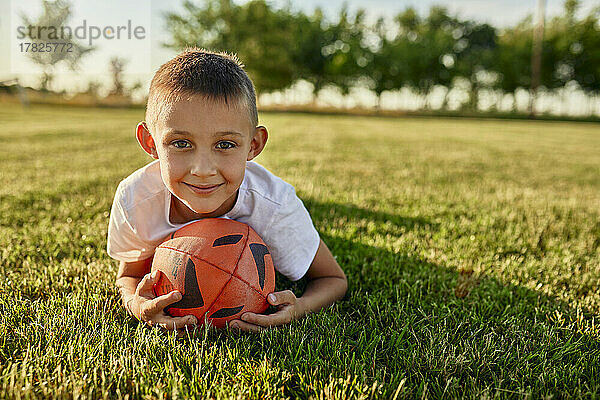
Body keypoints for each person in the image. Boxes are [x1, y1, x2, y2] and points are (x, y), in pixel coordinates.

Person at [107, 48, 347, 333]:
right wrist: (136, 304)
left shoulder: (275, 206)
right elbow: (129, 276)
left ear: (254, 145)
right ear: (150, 142)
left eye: (225, 144)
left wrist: (300, 307)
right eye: (181, 143)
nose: (203, 169)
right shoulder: (136, 199)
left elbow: (333, 279)